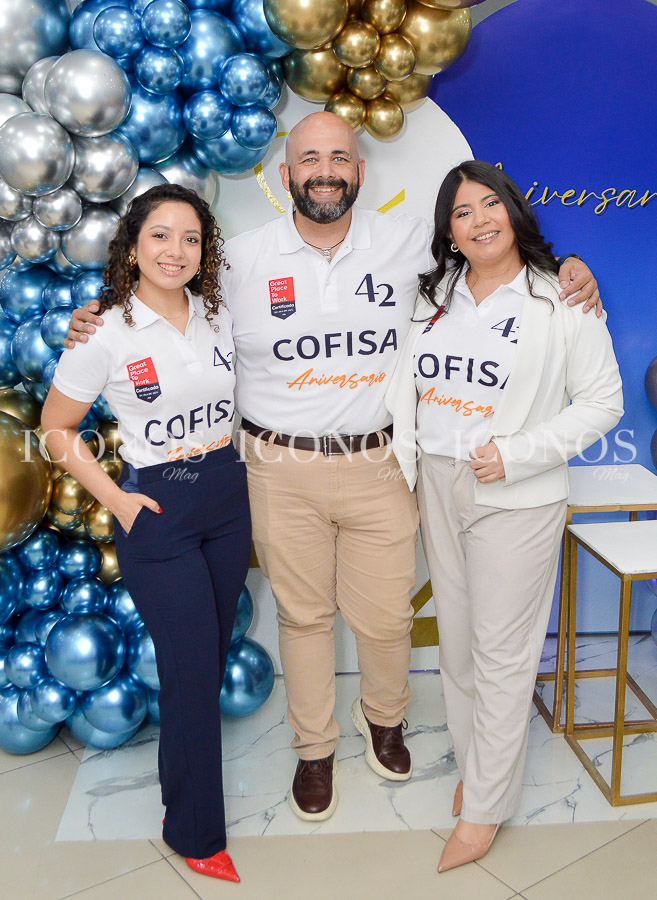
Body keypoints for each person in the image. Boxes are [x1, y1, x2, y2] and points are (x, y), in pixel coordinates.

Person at [64, 112, 601, 822]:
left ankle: (383, 718)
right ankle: (313, 749)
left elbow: (490, 251)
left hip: (379, 463)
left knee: (385, 618)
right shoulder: (237, 260)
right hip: (275, 467)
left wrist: (567, 266)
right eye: (310, 158)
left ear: (360, 170)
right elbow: (164, 298)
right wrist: (99, 315)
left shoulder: (408, 244)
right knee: (305, 617)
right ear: (286, 174)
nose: (325, 171)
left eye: (339, 158)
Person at [385, 160, 623, 872]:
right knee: (457, 646)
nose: (479, 220)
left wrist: (517, 454)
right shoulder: (433, 297)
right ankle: (478, 768)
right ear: (449, 232)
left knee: (502, 653)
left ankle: (486, 806)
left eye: (490, 204)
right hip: (438, 483)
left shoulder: (562, 299)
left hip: (516, 496)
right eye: (462, 212)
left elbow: (603, 403)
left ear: (514, 213)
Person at [41, 184, 251, 882]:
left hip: (225, 494)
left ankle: (177, 795)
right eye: (160, 235)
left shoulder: (216, 312)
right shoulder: (103, 330)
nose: (175, 250)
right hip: (157, 505)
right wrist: (117, 501)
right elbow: (55, 428)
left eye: (191, 238)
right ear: (132, 247)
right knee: (189, 669)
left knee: (205, 663)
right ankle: (195, 831)